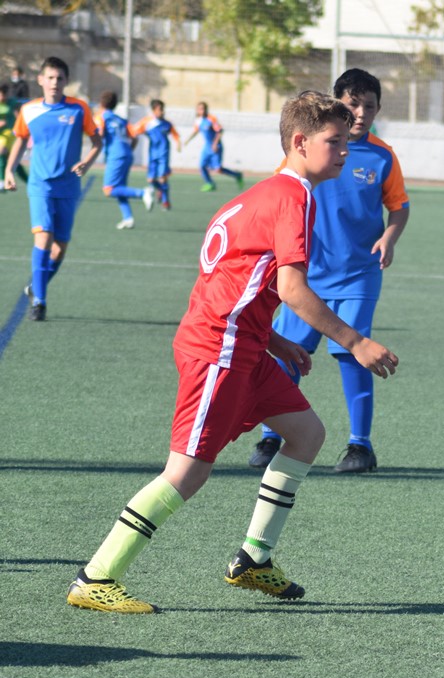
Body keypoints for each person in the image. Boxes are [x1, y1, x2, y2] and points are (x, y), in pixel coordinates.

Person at [66, 90, 400, 614]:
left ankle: (253, 559)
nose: (343, 151)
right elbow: (290, 288)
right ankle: (96, 576)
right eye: (334, 141)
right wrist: (356, 341)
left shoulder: (260, 194)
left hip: (243, 345)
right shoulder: (292, 197)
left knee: (307, 433)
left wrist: (275, 339)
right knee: (187, 472)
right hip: (218, 350)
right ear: (300, 142)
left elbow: (233, 281)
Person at [249, 68, 410, 474]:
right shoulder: (306, 153)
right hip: (306, 276)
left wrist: (389, 237)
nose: (361, 112)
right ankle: (270, 435)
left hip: (358, 275)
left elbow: (399, 207)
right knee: (287, 352)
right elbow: (279, 200)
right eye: (353, 104)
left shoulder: (383, 156)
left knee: (353, 353)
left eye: (369, 106)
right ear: (337, 103)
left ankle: (360, 446)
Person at [3, 56, 102, 322]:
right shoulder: (29, 110)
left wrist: (87, 162)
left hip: (68, 186)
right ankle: (40, 303)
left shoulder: (79, 109)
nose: (54, 82)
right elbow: (20, 140)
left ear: (66, 81)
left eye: (59, 78)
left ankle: (36, 286)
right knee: (43, 238)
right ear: (40, 80)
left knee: (59, 249)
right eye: (50, 78)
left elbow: (97, 142)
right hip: (40, 185)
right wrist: (10, 170)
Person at [96, 90, 154, 230]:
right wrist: (127, 151)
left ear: (101, 104)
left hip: (116, 155)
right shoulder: (121, 120)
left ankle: (143, 193)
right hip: (127, 153)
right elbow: (134, 137)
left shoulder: (101, 117)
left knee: (109, 189)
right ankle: (128, 218)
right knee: (119, 187)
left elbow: (100, 133)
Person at [183, 101, 244, 192]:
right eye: (200, 109)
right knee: (202, 166)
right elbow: (196, 131)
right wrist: (188, 140)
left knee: (218, 169)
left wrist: (215, 143)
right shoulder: (198, 121)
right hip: (207, 147)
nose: (202, 111)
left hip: (216, 146)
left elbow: (220, 131)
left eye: (204, 109)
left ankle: (237, 175)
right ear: (197, 110)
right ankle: (210, 183)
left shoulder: (211, 119)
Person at [131, 98, 180, 210]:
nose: (162, 112)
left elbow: (176, 135)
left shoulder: (167, 124)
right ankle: (161, 190)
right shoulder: (147, 122)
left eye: (163, 109)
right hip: (152, 155)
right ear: (153, 110)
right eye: (159, 109)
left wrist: (178, 144)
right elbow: (134, 131)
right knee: (151, 180)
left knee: (162, 178)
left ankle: (165, 201)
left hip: (164, 154)